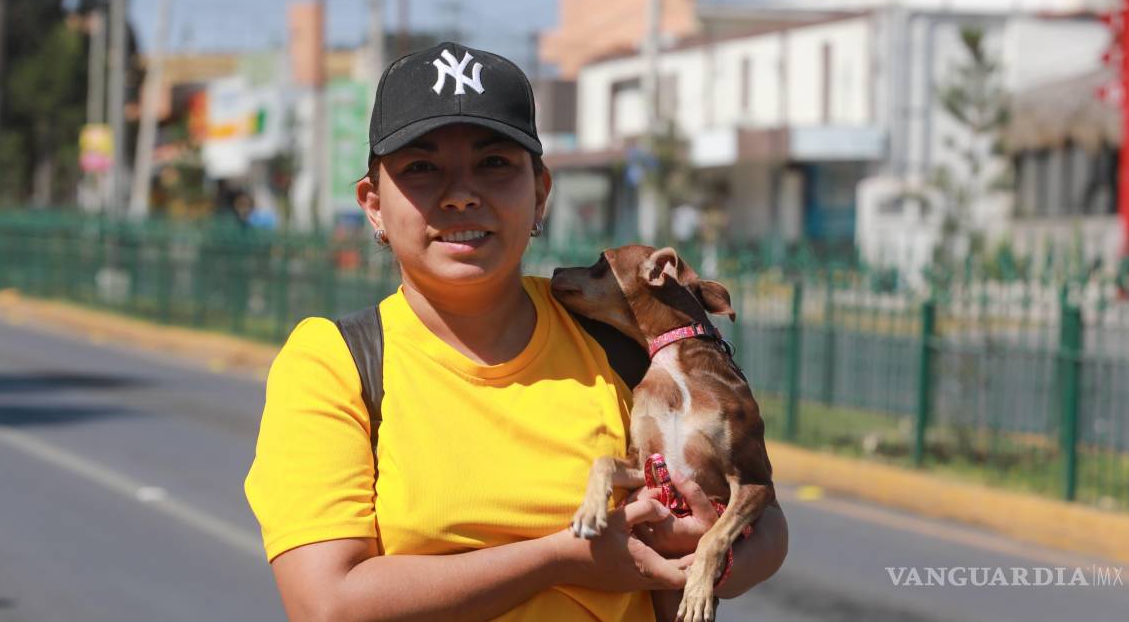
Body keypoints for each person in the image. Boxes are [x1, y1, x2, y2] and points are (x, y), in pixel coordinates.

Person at [244, 42, 787, 621]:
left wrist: (699, 555)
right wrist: (562, 559)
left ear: (540, 194)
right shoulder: (336, 363)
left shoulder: (617, 342)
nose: (461, 193)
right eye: (422, 168)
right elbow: (325, 604)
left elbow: (767, 524)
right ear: (373, 205)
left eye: (494, 164)